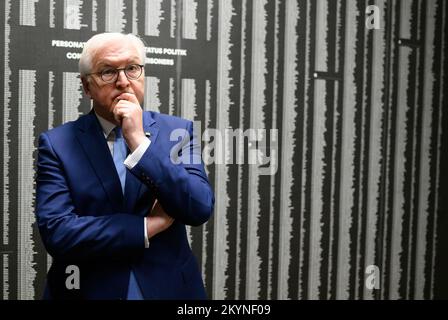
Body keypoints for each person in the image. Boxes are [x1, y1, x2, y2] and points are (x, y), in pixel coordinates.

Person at [35, 32, 214, 300]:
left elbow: (199, 206)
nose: (123, 82)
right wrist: (146, 227)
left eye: (132, 68)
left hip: (169, 288)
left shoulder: (178, 131)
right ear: (86, 87)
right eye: (108, 72)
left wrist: (139, 143)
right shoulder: (56, 143)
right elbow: (58, 233)